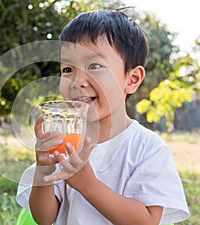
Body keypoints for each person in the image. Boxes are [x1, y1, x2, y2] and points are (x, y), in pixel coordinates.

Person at [16, 9, 190, 225]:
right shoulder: (65, 144)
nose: (77, 81)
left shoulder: (146, 148)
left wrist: (87, 184)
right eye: (68, 69)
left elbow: (147, 221)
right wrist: (44, 169)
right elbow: (43, 218)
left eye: (94, 66)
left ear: (132, 79)